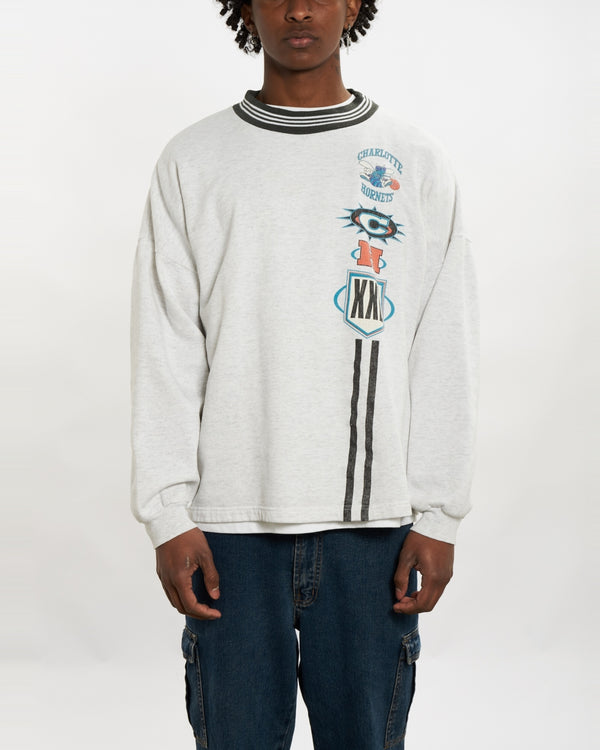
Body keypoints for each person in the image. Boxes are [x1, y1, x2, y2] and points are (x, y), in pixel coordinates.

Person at [130, 1, 479, 748]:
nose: (298, 9)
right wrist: (168, 514)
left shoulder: (412, 160)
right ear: (245, 5)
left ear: (354, 3)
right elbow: (166, 343)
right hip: (228, 532)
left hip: (373, 531)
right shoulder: (193, 161)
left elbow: (443, 343)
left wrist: (440, 513)